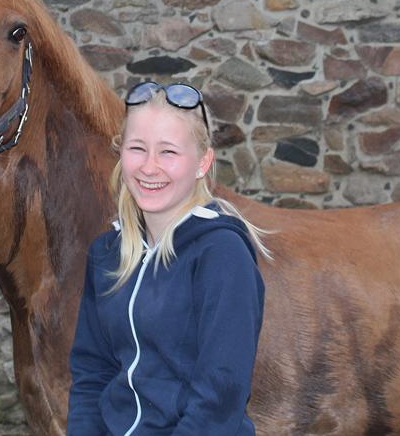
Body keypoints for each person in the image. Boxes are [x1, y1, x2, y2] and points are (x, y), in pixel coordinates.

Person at [67, 81, 269, 435]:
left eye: (169, 152)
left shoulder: (222, 254)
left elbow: (219, 399)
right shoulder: (106, 253)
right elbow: (91, 374)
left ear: (202, 162)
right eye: (137, 148)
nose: (149, 167)